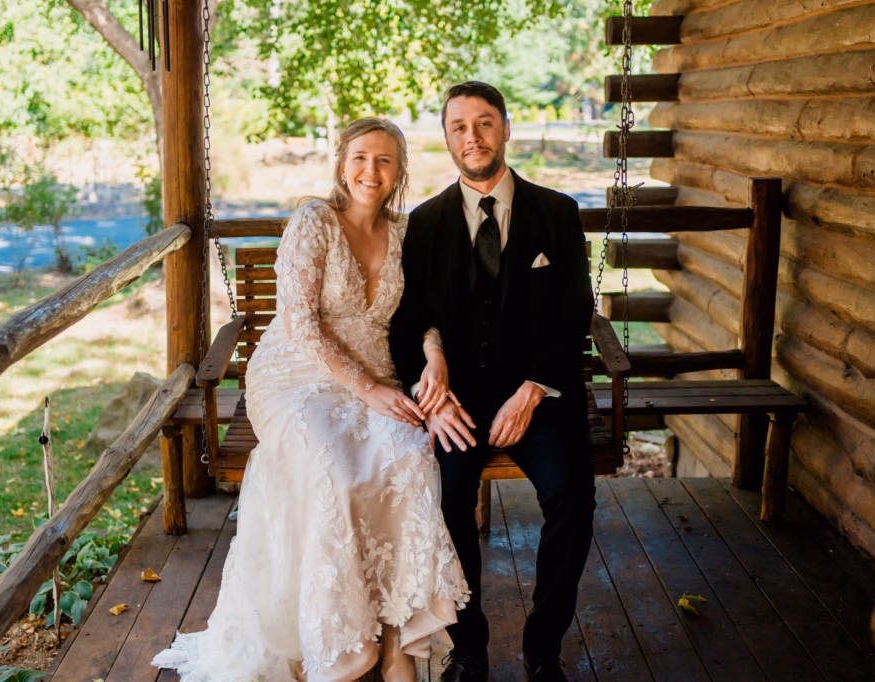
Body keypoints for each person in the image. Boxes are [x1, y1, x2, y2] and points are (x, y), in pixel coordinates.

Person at [152, 117, 468, 682]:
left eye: (385, 160)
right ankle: (339, 645)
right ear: (342, 165)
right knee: (334, 471)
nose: (372, 170)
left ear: (399, 173)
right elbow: (300, 323)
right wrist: (365, 387)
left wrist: (434, 351)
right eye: (361, 158)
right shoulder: (313, 221)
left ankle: (398, 638)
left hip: (381, 375)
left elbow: (422, 312)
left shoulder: (402, 233)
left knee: (411, 458)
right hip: (296, 377)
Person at [388, 82, 596, 682]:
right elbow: (407, 321)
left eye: (484, 123)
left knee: (573, 498)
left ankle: (543, 646)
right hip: (460, 402)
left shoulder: (557, 212)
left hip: (538, 392)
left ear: (505, 129)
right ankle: (469, 645)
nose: (472, 137)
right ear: (447, 139)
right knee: (446, 499)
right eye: (459, 126)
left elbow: (574, 310)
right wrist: (434, 397)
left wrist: (534, 388)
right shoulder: (423, 224)